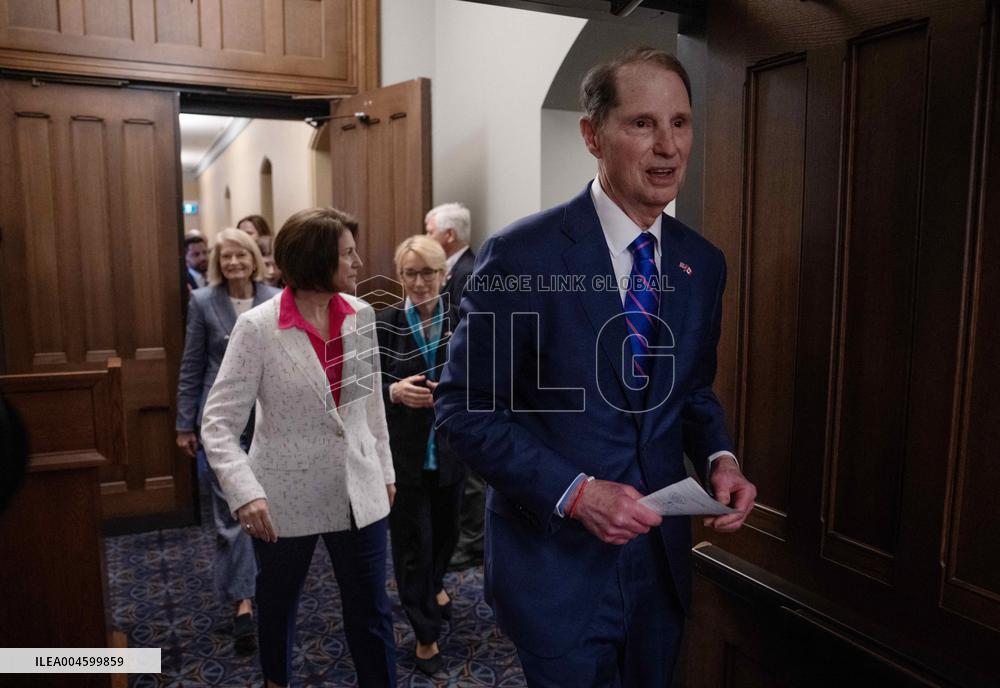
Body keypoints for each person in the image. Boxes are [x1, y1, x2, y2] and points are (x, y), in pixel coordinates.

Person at [434, 48, 757, 686]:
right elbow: (462, 410)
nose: (668, 146)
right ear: (592, 134)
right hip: (555, 567)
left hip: (660, 566)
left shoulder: (703, 263)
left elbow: (691, 391)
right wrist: (577, 494)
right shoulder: (519, 256)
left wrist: (721, 457)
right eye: (642, 123)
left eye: (681, 123)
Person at [200, 208, 397, 688]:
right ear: (316, 260)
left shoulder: (362, 314)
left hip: (360, 486)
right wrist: (245, 492)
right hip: (281, 497)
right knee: (279, 603)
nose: (357, 262)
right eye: (346, 253)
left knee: (372, 611)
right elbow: (219, 423)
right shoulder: (257, 327)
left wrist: (387, 472)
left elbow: (371, 407)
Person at [175, 228, 280, 653]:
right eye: (227, 257)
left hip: (269, 416)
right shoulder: (202, 302)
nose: (234, 262)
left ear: (254, 258)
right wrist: (186, 424)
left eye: (241, 255)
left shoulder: (275, 297)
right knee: (233, 510)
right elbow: (192, 364)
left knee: (269, 504)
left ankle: (264, 584)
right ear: (218, 262)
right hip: (222, 421)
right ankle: (243, 604)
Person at [376, 236, 465, 676]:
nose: (419, 282)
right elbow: (352, 388)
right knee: (412, 545)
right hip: (403, 456)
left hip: (451, 452)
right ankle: (425, 633)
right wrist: (393, 390)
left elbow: (484, 379)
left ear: (443, 275)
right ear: (400, 276)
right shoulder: (380, 323)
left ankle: (435, 585)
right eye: (410, 273)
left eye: (428, 272)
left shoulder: (464, 322)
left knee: (447, 535)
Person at [424, 202, 483, 570]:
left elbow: (468, 332)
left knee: (471, 472)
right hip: (450, 383)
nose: (425, 236)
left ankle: (473, 543)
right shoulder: (451, 269)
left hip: (468, 386)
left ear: (448, 235)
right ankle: (461, 538)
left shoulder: (470, 270)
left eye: (429, 229)